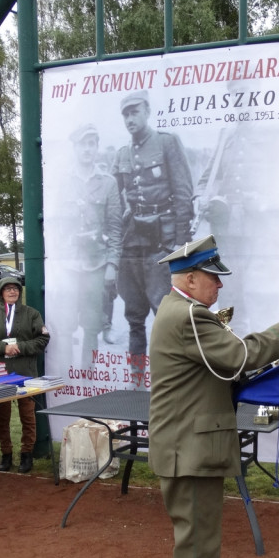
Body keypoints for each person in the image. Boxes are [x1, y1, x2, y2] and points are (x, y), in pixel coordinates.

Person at [148, 235, 279, 558]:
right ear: (188, 279)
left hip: (190, 442)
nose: (219, 285)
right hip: (189, 445)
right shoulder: (189, 315)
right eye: (212, 278)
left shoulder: (182, 310)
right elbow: (237, 357)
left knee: (203, 530)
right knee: (196, 534)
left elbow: (225, 366)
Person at [112, 90, 194, 362]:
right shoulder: (122, 154)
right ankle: (136, 378)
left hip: (164, 239)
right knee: (134, 313)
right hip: (133, 241)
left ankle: (173, 379)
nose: (129, 118)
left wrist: (181, 247)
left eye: (134, 111)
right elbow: (115, 201)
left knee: (165, 312)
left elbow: (184, 194)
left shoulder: (166, 143)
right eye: (125, 114)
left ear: (147, 111)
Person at [0, 277, 50, 473]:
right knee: (2, 415)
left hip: (25, 371)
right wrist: (3, 348)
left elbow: (43, 339)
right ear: (0, 292)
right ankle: (6, 454)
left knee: (27, 415)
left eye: (15, 289)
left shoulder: (31, 314)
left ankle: (27, 454)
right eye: (8, 289)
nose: (12, 292)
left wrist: (20, 347)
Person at [68, 122, 122, 360]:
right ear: (75, 147)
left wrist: (112, 265)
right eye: (83, 144)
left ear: (97, 147)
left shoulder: (108, 182)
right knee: (65, 323)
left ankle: (88, 374)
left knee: (92, 325)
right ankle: (66, 378)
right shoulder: (63, 180)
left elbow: (115, 227)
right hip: (67, 264)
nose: (87, 149)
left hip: (95, 264)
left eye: (92, 144)